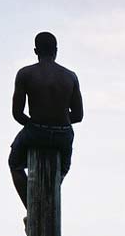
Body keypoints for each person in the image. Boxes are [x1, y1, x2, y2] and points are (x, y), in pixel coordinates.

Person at [9, 32, 84, 214]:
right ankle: (48, 200)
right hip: (63, 134)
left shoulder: (25, 74)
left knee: (15, 164)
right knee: (61, 170)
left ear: (36, 51)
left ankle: (33, 209)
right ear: (56, 51)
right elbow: (79, 115)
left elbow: (17, 114)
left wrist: (36, 124)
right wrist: (59, 119)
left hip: (36, 131)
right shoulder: (70, 76)